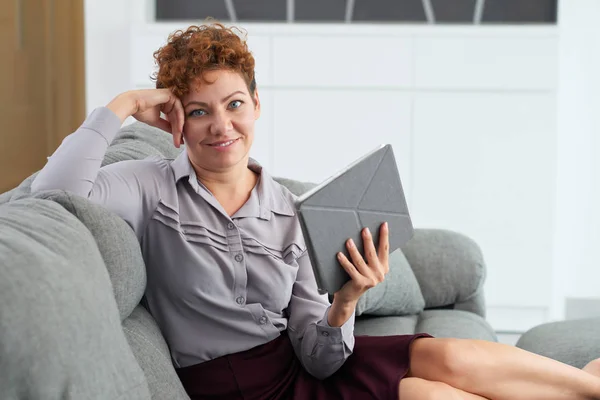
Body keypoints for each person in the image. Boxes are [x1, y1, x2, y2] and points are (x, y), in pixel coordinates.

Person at [31, 22, 600, 400]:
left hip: (299, 366)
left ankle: (586, 387)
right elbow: (52, 193)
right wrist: (121, 106)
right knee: (426, 395)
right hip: (228, 386)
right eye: (199, 111)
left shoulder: (287, 208)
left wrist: (346, 301)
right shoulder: (147, 185)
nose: (221, 125)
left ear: (256, 105)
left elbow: (320, 358)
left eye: (233, 104)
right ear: (174, 120)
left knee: (439, 361)